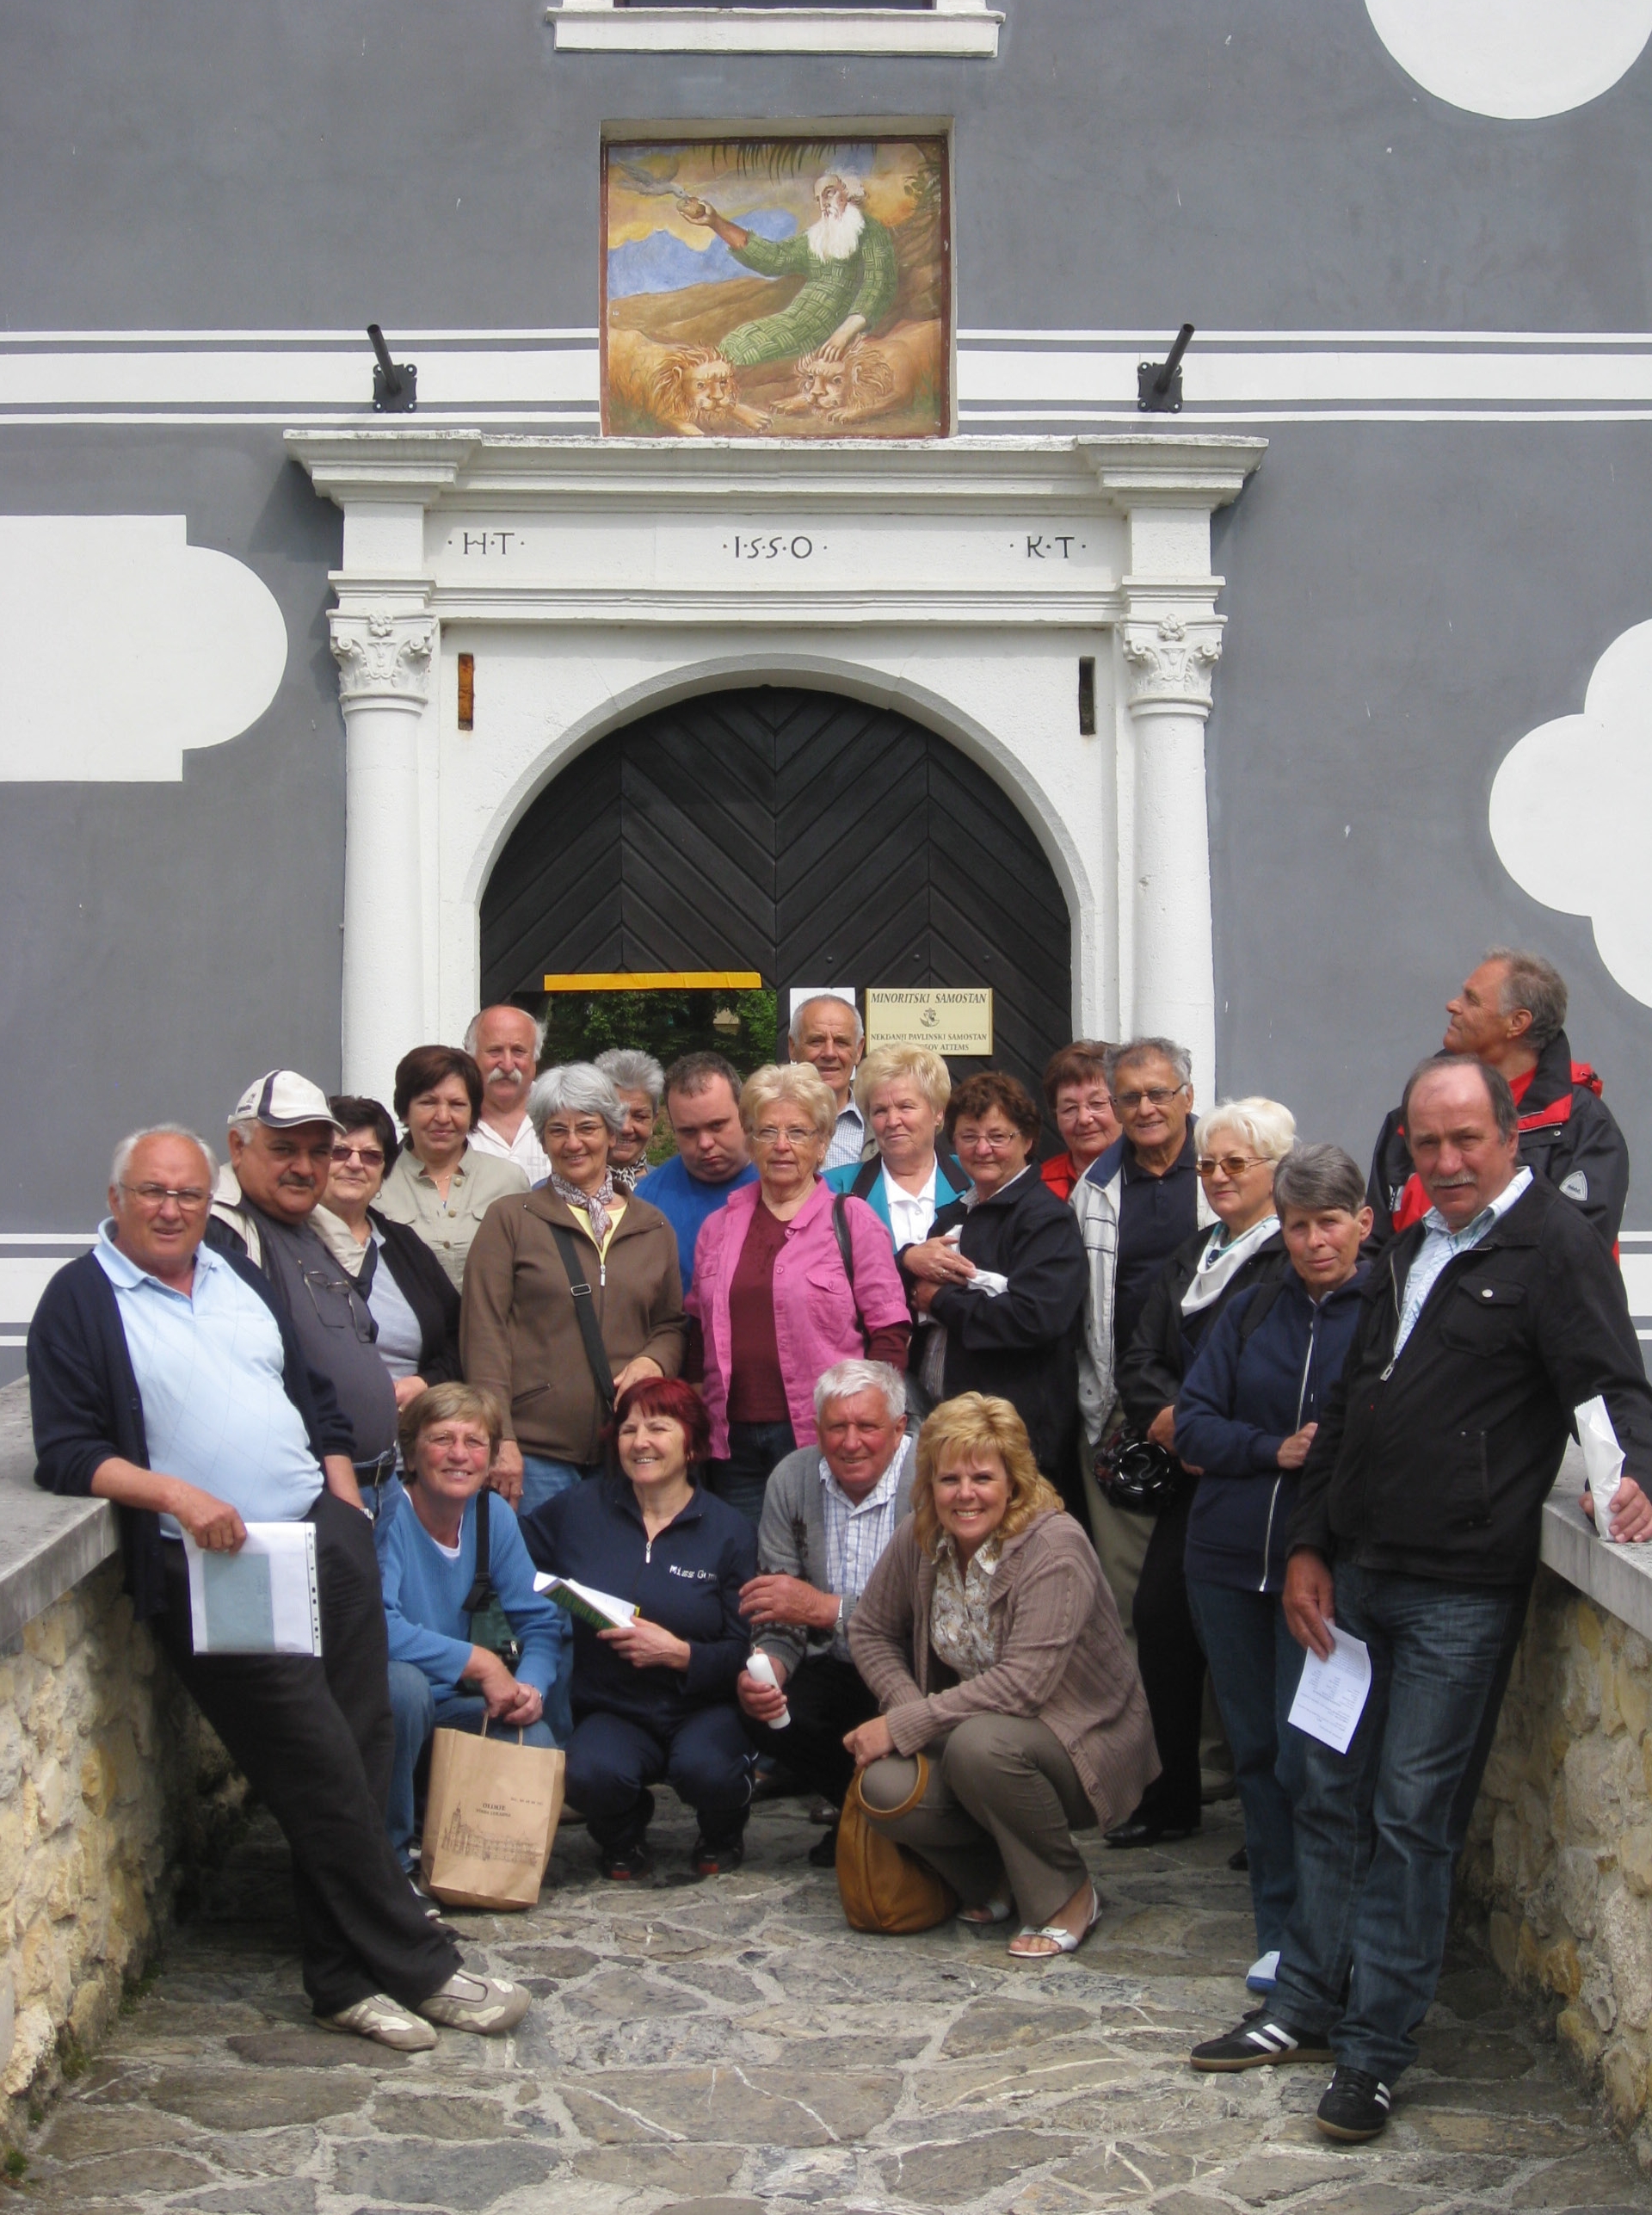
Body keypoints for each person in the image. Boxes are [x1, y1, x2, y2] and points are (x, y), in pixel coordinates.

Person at [1190, 1056, 1652, 2144]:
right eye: (1427, 1142)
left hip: (1459, 1592)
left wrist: (1633, 1475)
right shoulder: (1407, 1248)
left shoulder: (1555, 1247)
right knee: (1323, 1789)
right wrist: (1310, 1545)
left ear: (1509, 1139)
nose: (1444, 1161)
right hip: (1355, 1577)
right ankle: (1305, 2003)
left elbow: (1610, 1384)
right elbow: (1351, 1406)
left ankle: (1375, 2051)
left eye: (1465, 1141)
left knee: (1410, 1819)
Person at [29, 1126, 527, 2051]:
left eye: (187, 1193)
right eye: (152, 1193)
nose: (172, 1209)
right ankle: (422, 1964)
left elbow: (312, 1397)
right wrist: (177, 1496)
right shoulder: (81, 1299)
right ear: (115, 1200)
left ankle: (341, 1980)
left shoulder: (232, 1273)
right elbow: (65, 1452)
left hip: (319, 1533)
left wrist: (341, 1504)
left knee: (362, 1745)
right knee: (313, 1759)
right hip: (215, 1563)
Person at [848, 1394, 1157, 1958]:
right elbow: (869, 1629)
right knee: (884, 1788)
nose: (964, 1494)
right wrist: (905, 1704)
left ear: (1013, 1481)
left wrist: (906, 1724)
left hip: (1078, 1737)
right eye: (949, 1478)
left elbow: (1023, 1684)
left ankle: (1068, 1893)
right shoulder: (922, 1536)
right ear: (930, 1483)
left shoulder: (1053, 1546)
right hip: (968, 1732)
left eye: (983, 1477)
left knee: (980, 1746)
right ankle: (1001, 1875)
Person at [1173, 1144, 1371, 1994]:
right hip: (1223, 1565)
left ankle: (1332, 1933)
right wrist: (1271, 1449)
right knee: (1255, 1753)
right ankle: (1279, 1931)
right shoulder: (1250, 1309)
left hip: (1322, 1571)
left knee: (1311, 1758)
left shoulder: (1386, 1316)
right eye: (1297, 1226)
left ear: (1363, 1223)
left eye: (1330, 1223)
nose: (1314, 1242)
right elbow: (1191, 1425)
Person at [1105, 1098, 1297, 1854]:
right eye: (1208, 1164)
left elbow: (1273, 1366)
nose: (1216, 1177)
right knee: (1161, 1621)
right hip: (1189, 1472)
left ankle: (1270, 1820)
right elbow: (1140, 1352)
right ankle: (1171, 1795)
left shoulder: (1288, 1257)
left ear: (1276, 1170)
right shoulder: (1196, 1252)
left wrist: (1204, 1423)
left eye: (1235, 1164)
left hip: (1256, 1475)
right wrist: (1166, 1415)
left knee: (1256, 1645)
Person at [521, 1378, 756, 1879]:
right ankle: (623, 1833)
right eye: (628, 1430)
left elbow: (746, 1649)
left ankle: (723, 1830)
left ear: (692, 1444)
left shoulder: (729, 1530)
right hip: (613, 1707)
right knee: (588, 1775)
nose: (640, 1442)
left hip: (702, 1706)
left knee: (709, 1771)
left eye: (658, 1428)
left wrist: (681, 1654)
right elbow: (510, 1553)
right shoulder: (578, 1509)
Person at [460, 1061, 686, 1541]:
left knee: (612, 1580)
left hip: (627, 1449)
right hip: (535, 1453)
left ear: (611, 1133)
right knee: (537, 1580)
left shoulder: (652, 1226)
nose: (573, 1143)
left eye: (587, 1127)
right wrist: (500, 1438)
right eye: (557, 1130)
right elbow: (484, 1335)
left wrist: (653, 1361)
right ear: (543, 1141)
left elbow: (671, 1324)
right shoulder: (511, 1220)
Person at [687, 1063, 910, 1524]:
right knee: (746, 1560)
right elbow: (697, 1333)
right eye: (767, 1132)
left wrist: (869, 1417)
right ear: (751, 1142)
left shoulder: (852, 1220)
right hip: (732, 1442)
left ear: (823, 1142)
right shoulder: (717, 1227)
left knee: (821, 1555)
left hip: (826, 1434)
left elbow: (889, 1330)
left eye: (798, 1132)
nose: (782, 1146)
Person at [378, 1384, 565, 1876]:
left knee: (535, 1739)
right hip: (387, 1707)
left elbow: (540, 1620)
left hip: (451, 1708)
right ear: (411, 1454)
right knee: (405, 1688)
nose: (459, 1454)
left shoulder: (491, 1515)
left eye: (475, 1442)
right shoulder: (389, 1514)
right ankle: (389, 1865)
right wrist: (480, 1662)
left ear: (490, 1458)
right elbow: (380, 1627)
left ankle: (466, 1853)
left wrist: (530, 1688)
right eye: (442, 1439)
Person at [737, 1360, 917, 1866]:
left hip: (913, 1668)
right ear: (817, 1430)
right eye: (837, 1427)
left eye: (867, 1427)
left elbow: (931, 1618)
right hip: (834, 1665)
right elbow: (778, 1611)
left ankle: (898, 1821)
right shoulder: (792, 1478)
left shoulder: (930, 1479)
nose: (851, 1442)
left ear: (899, 1428)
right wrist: (769, 1670)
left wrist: (826, 1609)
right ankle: (860, 1813)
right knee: (762, 1710)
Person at [210, 1070, 402, 1500]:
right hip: (308, 1490)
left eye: (319, 1152)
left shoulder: (317, 1227)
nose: (303, 1167)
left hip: (378, 1483)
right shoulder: (221, 1233)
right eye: (283, 1149)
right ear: (237, 1147)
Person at [1073, 1038, 1209, 1628]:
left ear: (1188, 1096)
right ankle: (1136, 1693)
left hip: (1218, 1408)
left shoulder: (1225, 1168)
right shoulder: (1093, 1190)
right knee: (1129, 1591)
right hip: (1125, 1408)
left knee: (1209, 1582)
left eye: (1159, 1093)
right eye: (1129, 1098)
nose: (1146, 1108)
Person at [1367, 947, 1629, 1249]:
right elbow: (1374, 1250)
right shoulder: (1412, 1118)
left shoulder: (1585, 1126)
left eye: (1471, 999)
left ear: (1517, 1022)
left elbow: (1575, 1255)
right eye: (1429, 1143)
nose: (1452, 1005)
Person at [899, 1071, 1088, 1487]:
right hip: (944, 1425)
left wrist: (940, 1300)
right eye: (968, 1136)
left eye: (998, 1136)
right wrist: (907, 1258)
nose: (982, 1149)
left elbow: (1034, 1318)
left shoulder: (1046, 1220)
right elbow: (907, 1294)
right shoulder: (954, 1215)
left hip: (1013, 1439)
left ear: (1028, 1141)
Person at [313, 1096, 464, 1511]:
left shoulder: (404, 1246)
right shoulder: (289, 1246)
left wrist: (426, 1383)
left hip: (404, 1475)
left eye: (371, 1156)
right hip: (319, 1475)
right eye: (339, 1152)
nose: (355, 1164)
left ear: (384, 1173)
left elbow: (458, 1337)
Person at [681, 170, 897, 371]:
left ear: (848, 192)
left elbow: (878, 285)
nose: (823, 204)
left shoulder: (869, 231)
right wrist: (716, 222)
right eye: (818, 199)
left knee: (747, 351)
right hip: (796, 319)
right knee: (738, 339)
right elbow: (773, 258)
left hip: (828, 327)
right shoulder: (817, 237)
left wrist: (844, 333)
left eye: (829, 193)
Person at [378, 1045, 528, 1292]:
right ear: (405, 1111)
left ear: (473, 1113)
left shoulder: (509, 1180)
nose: (443, 1117)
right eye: (428, 1103)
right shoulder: (377, 1182)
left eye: (457, 1104)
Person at [634, 1052, 758, 1299]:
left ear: (744, 1115)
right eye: (689, 1132)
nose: (705, 1143)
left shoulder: (787, 1183)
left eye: (717, 1126)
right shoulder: (647, 1202)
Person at [824, 1045, 966, 1247]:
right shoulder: (835, 1187)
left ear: (938, 1112)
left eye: (905, 1107)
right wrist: (905, 1260)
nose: (892, 1121)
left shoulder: (974, 1178)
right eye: (880, 1111)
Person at [464, 1004, 552, 1186]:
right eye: (494, 1051)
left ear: (535, 1057)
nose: (507, 1065)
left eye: (518, 1051)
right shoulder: (450, 1122)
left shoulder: (559, 1112)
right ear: (471, 1056)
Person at [788, 994, 870, 1170]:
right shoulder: (763, 1121)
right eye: (816, 1041)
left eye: (841, 1042)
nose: (829, 1053)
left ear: (858, 1050)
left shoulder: (881, 1123)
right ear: (792, 1047)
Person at [1040, 1042, 1121, 1204]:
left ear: (1123, 1105)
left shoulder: (1150, 1177)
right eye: (1070, 1108)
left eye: (1097, 1103)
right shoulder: (1040, 1186)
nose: (1084, 1119)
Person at [595, 1046, 664, 1192]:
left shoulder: (670, 1189)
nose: (625, 1128)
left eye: (639, 1117)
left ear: (654, 1121)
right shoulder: (558, 1191)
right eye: (615, 1114)